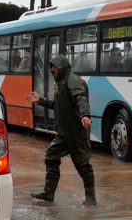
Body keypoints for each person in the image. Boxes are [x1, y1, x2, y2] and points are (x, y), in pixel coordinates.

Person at [25, 55, 96, 206]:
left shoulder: (73, 81)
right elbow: (56, 105)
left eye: (54, 67)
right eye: (51, 67)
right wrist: (40, 100)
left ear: (61, 67)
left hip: (77, 134)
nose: (52, 70)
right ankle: (48, 193)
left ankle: (91, 199)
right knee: (51, 156)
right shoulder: (59, 83)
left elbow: (80, 99)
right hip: (64, 134)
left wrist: (85, 115)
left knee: (83, 166)